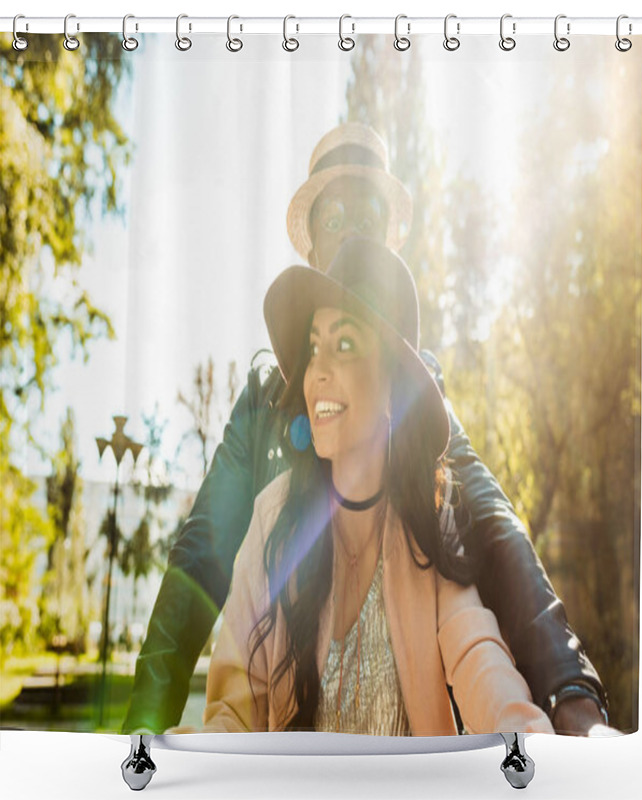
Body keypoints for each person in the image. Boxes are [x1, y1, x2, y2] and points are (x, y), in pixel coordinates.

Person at [122, 122, 609, 736]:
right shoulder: (267, 462)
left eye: (371, 217)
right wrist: (138, 734)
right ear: (311, 256)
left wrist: (569, 696)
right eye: (335, 218)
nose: (354, 231)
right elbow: (202, 562)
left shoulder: (418, 438)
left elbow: (487, 524)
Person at [203, 239, 554, 735]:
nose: (317, 369)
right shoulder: (272, 520)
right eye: (313, 346)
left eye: (344, 344)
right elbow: (232, 706)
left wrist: (535, 743)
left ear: (393, 388)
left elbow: (480, 658)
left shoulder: (427, 528)